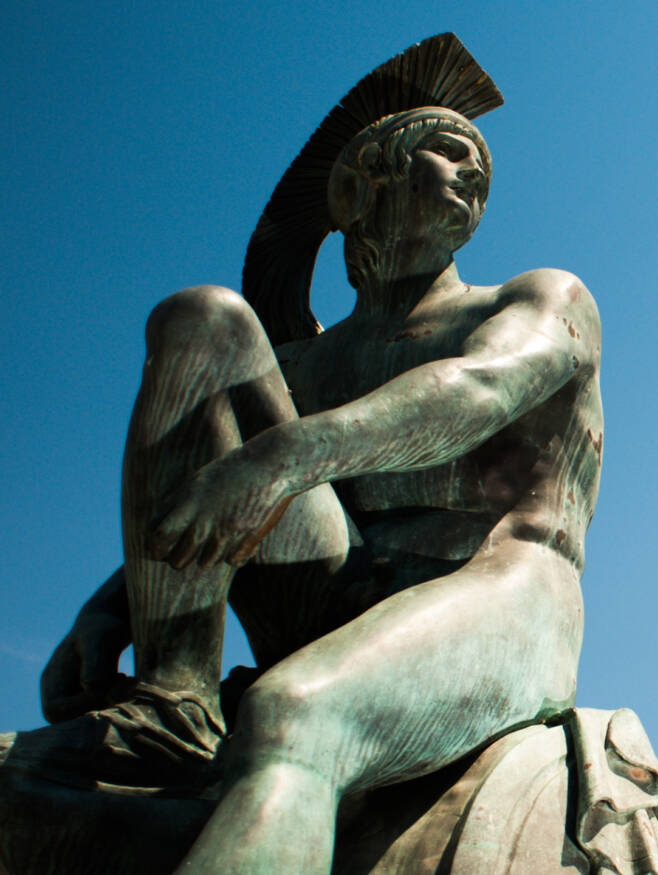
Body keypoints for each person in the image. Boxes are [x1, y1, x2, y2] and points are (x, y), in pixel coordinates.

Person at [8, 100, 604, 873]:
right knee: (207, 319)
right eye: (449, 151)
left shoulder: (536, 300)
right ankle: (172, 698)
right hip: (332, 588)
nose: (474, 176)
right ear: (363, 186)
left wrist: (287, 452)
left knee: (297, 714)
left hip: (499, 587)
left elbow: (479, 391)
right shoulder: (303, 367)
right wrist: (110, 609)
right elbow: (227, 489)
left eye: (480, 170)